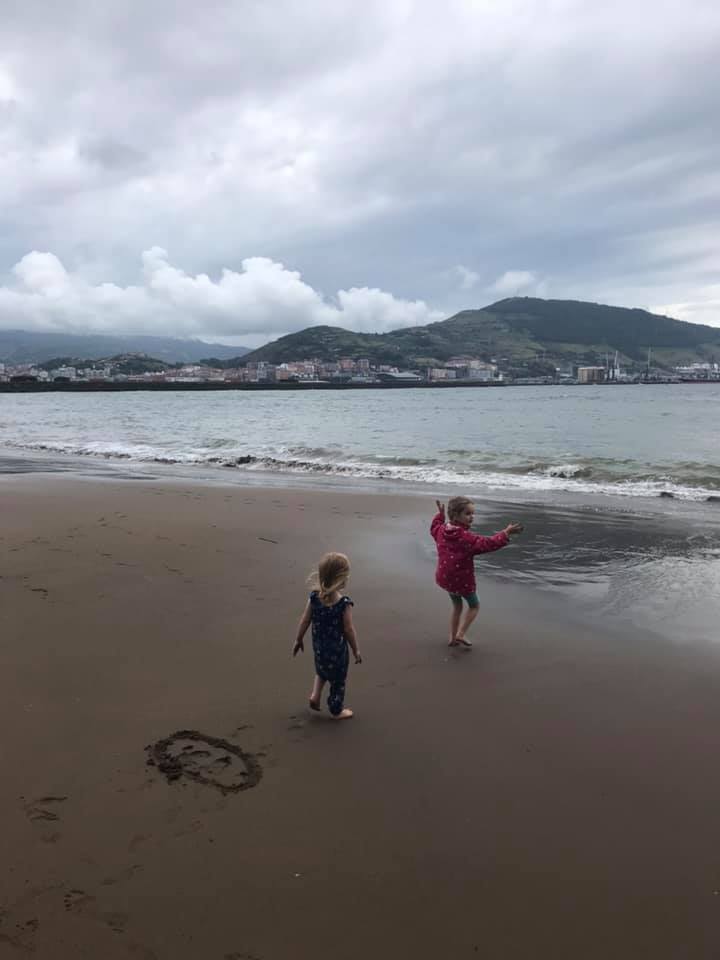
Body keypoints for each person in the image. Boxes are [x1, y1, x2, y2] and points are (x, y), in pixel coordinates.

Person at [431, 497, 522, 648]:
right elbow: (488, 544)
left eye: (473, 513)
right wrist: (505, 533)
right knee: (474, 605)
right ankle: (461, 634)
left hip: (446, 578)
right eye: (468, 514)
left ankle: (452, 638)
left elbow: (434, 527)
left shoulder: (441, 531)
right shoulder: (466, 538)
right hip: (462, 580)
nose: (472, 517)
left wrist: (439, 516)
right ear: (455, 515)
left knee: (457, 607)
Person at [293, 552, 361, 719]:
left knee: (322, 669)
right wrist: (356, 649)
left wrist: (298, 639)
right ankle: (336, 710)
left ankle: (315, 696)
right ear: (341, 579)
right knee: (338, 680)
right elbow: (348, 629)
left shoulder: (314, 598)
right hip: (337, 652)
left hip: (319, 648)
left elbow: (305, 620)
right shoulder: (343, 604)